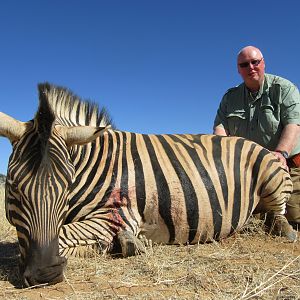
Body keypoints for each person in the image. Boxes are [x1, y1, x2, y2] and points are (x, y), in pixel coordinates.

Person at [213, 45, 300, 240]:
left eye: (255, 62)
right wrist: (224, 158)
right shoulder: (230, 97)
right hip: (247, 172)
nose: (250, 67)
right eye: (244, 64)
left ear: (263, 63)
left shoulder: (283, 88)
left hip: (285, 166)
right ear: (238, 69)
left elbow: (294, 124)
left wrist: (281, 153)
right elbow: (220, 129)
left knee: (294, 216)